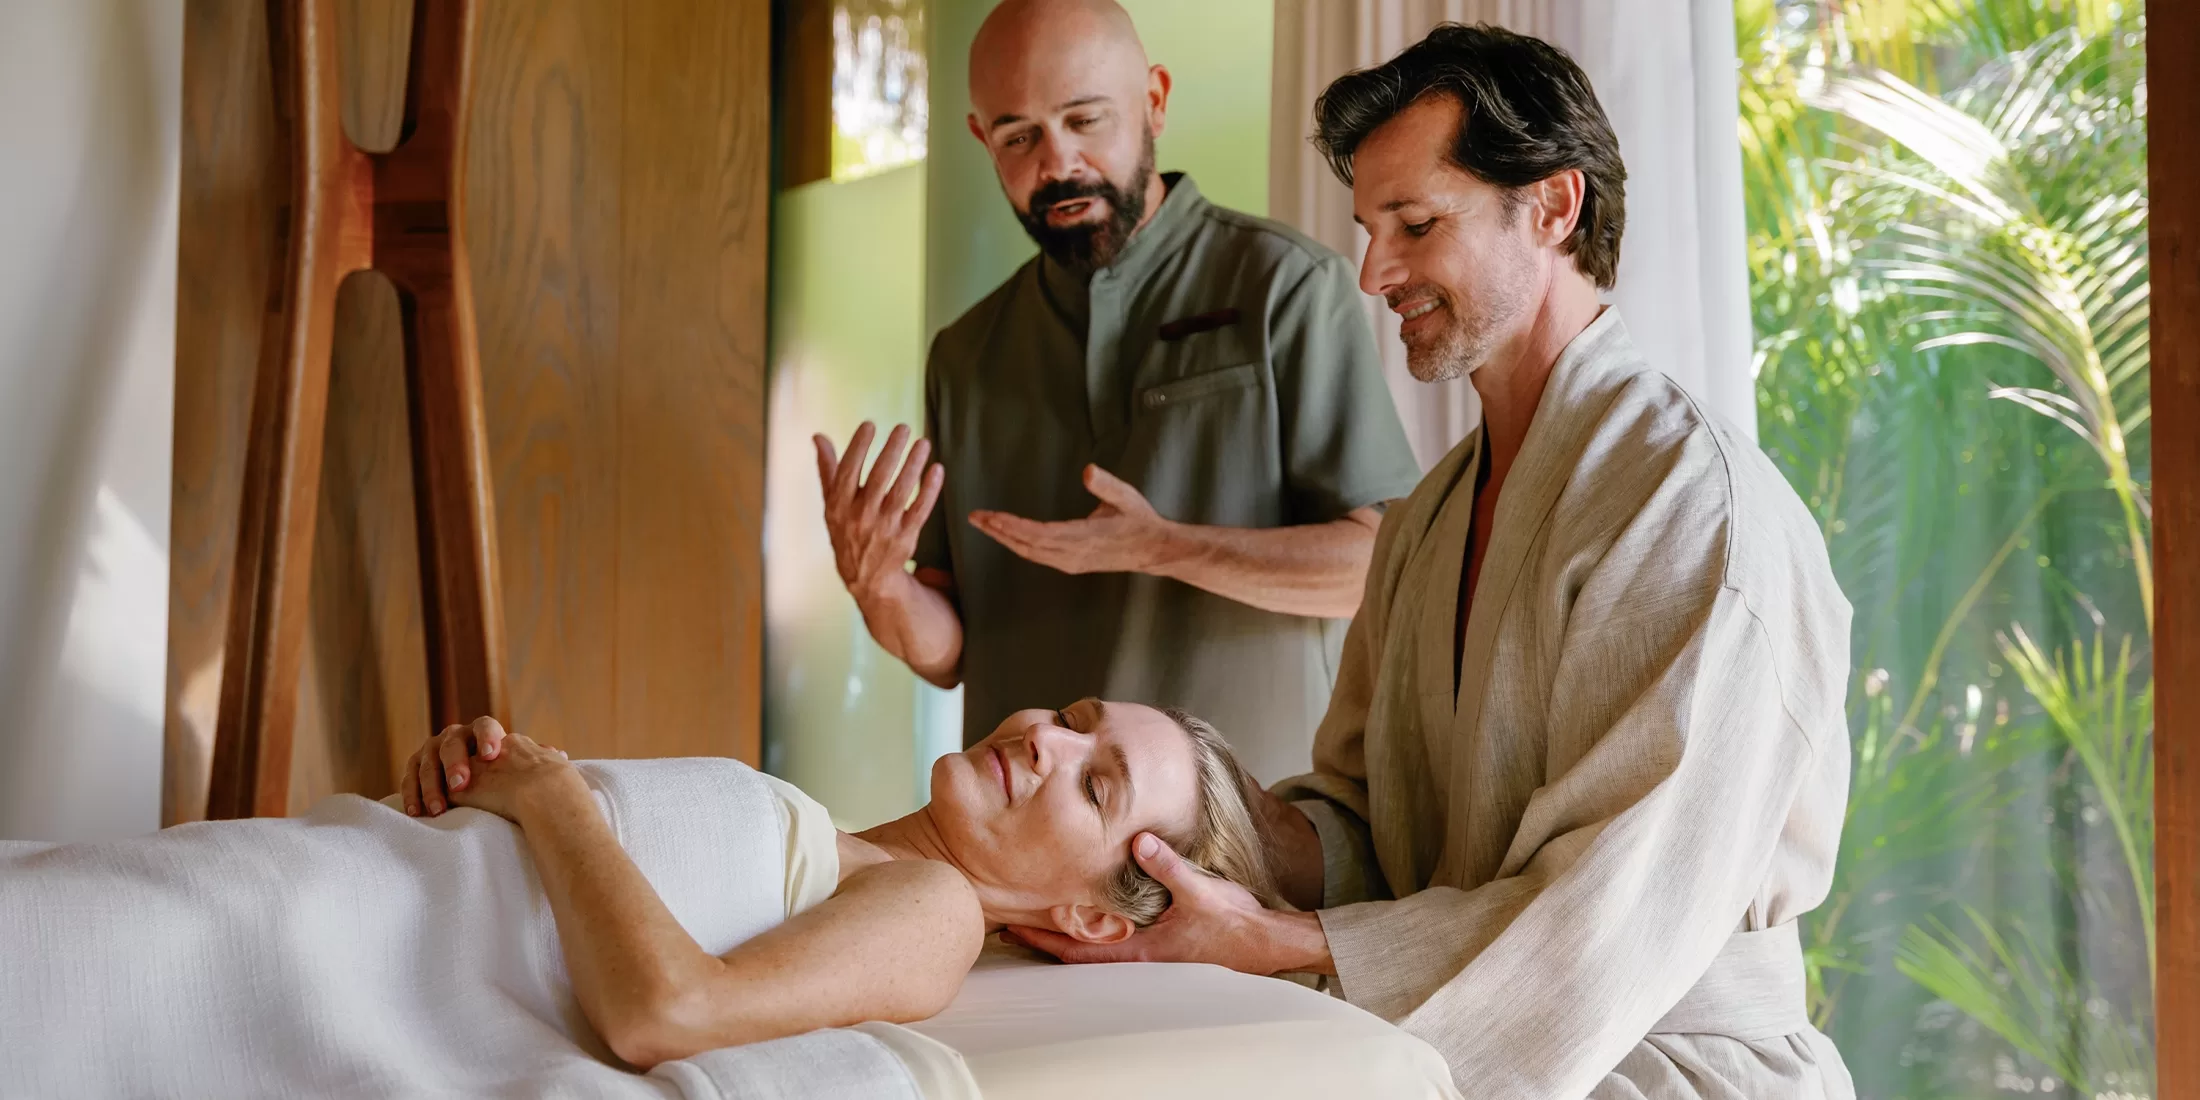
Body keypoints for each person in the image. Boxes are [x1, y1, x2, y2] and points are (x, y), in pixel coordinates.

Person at [1007, 24, 1858, 1099]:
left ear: (1552, 207)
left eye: (1414, 223)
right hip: (1424, 1050)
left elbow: (1606, 915)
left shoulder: (1692, 510)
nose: (1372, 271)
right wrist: (1172, 803)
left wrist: (1281, 940)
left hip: (1668, 1067)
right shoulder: (1425, 523)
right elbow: (1364, 825)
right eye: (1369, 229)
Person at [1, 704, 1273, 1092]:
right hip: (282, 887)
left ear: (1099, 915)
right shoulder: (833, 837)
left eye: (1093, 780)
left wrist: (550, 800)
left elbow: (667, 1010)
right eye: (1075, 715)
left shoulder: (936, 907)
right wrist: (464, 787)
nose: (1044, 736)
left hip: (247, 952)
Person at [814, 0, 1422, 785]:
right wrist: (879, 587)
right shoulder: (966, 354)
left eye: (1085, 119)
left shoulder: (1286, 286)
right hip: (1031, 863)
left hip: (1249, 851)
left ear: (1155, 101)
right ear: (982, 142)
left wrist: (1164, 547)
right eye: (1018, 136)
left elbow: (1382, 569)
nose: (1056, 161)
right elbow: (952, 648)